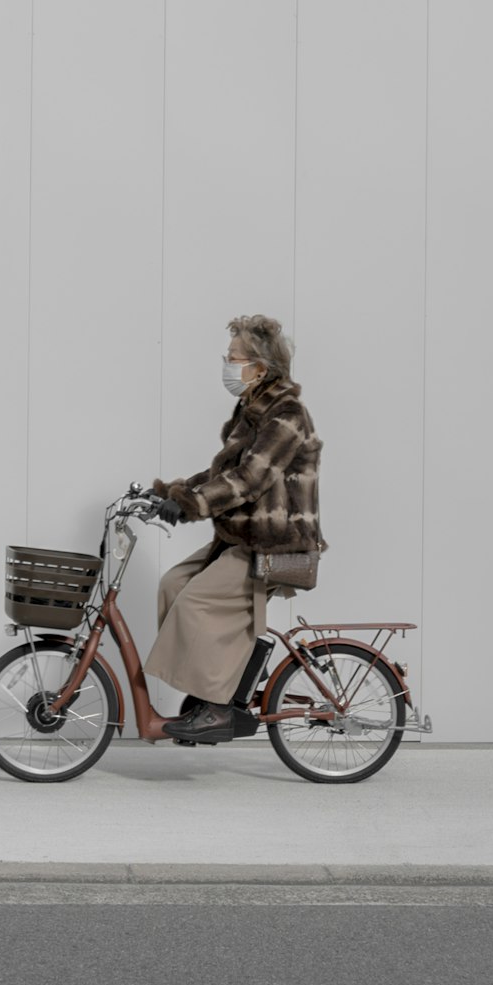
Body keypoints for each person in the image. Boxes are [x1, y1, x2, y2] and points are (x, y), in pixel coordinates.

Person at [143, 314, 325, 743]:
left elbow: (250, 480)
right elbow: (223, 470)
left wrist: (191, 506)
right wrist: (173, 492)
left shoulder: (287, 415)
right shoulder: (253, 409)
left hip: (276, 544)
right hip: (241, 538)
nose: (228, 366)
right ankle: (209, 695)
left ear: (260, 368)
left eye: (234, 359)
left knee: (195, 604)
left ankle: (220, 709)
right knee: (172, 585)